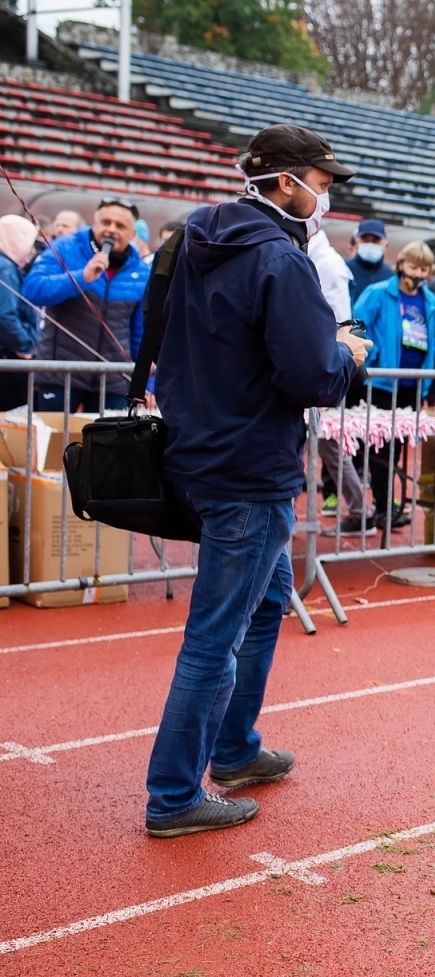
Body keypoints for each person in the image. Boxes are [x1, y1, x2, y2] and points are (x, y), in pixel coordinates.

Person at [145, 123, 370, 836]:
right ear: (286, 181)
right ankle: (173, 796)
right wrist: (348, 355)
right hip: (249, 466)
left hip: (200, 449)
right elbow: (309, 376)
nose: (327, 198)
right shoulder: (280, 257)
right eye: (323, 184)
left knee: (267, 603)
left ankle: (235, 750)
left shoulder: (193, 239)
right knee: (214, 638)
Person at [21, 196, 149, 412]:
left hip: (113, 380)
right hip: (61, 375)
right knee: (56, 443)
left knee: (108, 444)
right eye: (105, 222)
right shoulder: (64, 248)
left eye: (120, 225)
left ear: (133, 234)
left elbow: (139, 333)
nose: (111, 230)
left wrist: (143, 381)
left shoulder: (141, 271)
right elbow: (32, 290)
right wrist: (81, 277)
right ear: (94, 223)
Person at [353, 240, 435, 529]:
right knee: (379, 448)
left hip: (413, 384)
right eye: (414, 266)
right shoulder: (379, 293)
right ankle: (380, 506)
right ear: (401, 264)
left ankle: (389, 503)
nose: (418, 272)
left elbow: (434, 338)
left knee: (399, 448)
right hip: (381, 382)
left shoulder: (430, 302)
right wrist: (373, 356)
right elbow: (356, 326)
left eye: (424, 268)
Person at [304, 226, 371, 531]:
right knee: (327, 446)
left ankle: (360, 511)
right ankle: (360, 510)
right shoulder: (315, 256)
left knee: (329, 444)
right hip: (320, 362)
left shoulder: (326, 263)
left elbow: (341, 322)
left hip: (323, 364)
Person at [0, 214, 40, 411]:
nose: (31, 251)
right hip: (9, 360)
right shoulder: (5, 267)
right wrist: (26, 347)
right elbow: (5, 315)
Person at [346, 218, 392, 304]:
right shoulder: (344, 269)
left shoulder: (391, 275)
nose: (370, 244)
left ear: (386, 244)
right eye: (365, 240)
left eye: (376, 240)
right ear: (356, 241)